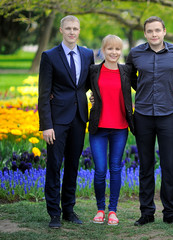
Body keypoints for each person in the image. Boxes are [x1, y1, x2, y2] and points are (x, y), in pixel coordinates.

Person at [125, 16, 173, 227]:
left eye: (157, 31)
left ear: (164, 31)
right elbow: (130, 77)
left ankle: (170, 212)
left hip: (168, 113)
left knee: (169, 164)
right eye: (150, 31)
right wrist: (143, 89)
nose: (154, 34)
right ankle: (147, 212)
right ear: (145, 33)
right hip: (142, 113)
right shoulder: (135, 54)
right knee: (146, 164)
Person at [38, 15, 94, 228]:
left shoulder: (88, 54)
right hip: (57, 122)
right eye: (68, 28)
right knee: (54, 165)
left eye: (76, 28)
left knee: (73, 166)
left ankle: (69, 210)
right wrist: (46, 125)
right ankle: (54, 213)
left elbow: (87, 84)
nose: (72, 32)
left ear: (79, 31)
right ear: (61, 30)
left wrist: (91, 96)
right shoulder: (49, 56)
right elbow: (43, 93)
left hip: (79, 118)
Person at [88, 35, 134, 226]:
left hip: (120, 128)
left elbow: (145, 85)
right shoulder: (93, 70)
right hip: (98, 127)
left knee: (115, 169)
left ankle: (113, 210)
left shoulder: (127, 71)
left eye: (117, 49)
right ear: (103, 50)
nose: (114, 52)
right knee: (100, 170)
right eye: (110, 49)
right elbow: (78, 87)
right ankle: (100, 209)